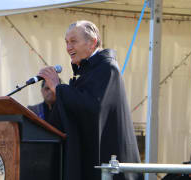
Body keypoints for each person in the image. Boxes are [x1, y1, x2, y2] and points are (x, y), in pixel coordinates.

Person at [38, 20, 142, 180]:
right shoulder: (85, 71)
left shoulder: (107, 68)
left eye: (73, 41)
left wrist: (59, 88)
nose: (68, 47)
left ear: (92, 42)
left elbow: (94, 108)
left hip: (107, 163)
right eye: (66, 42)